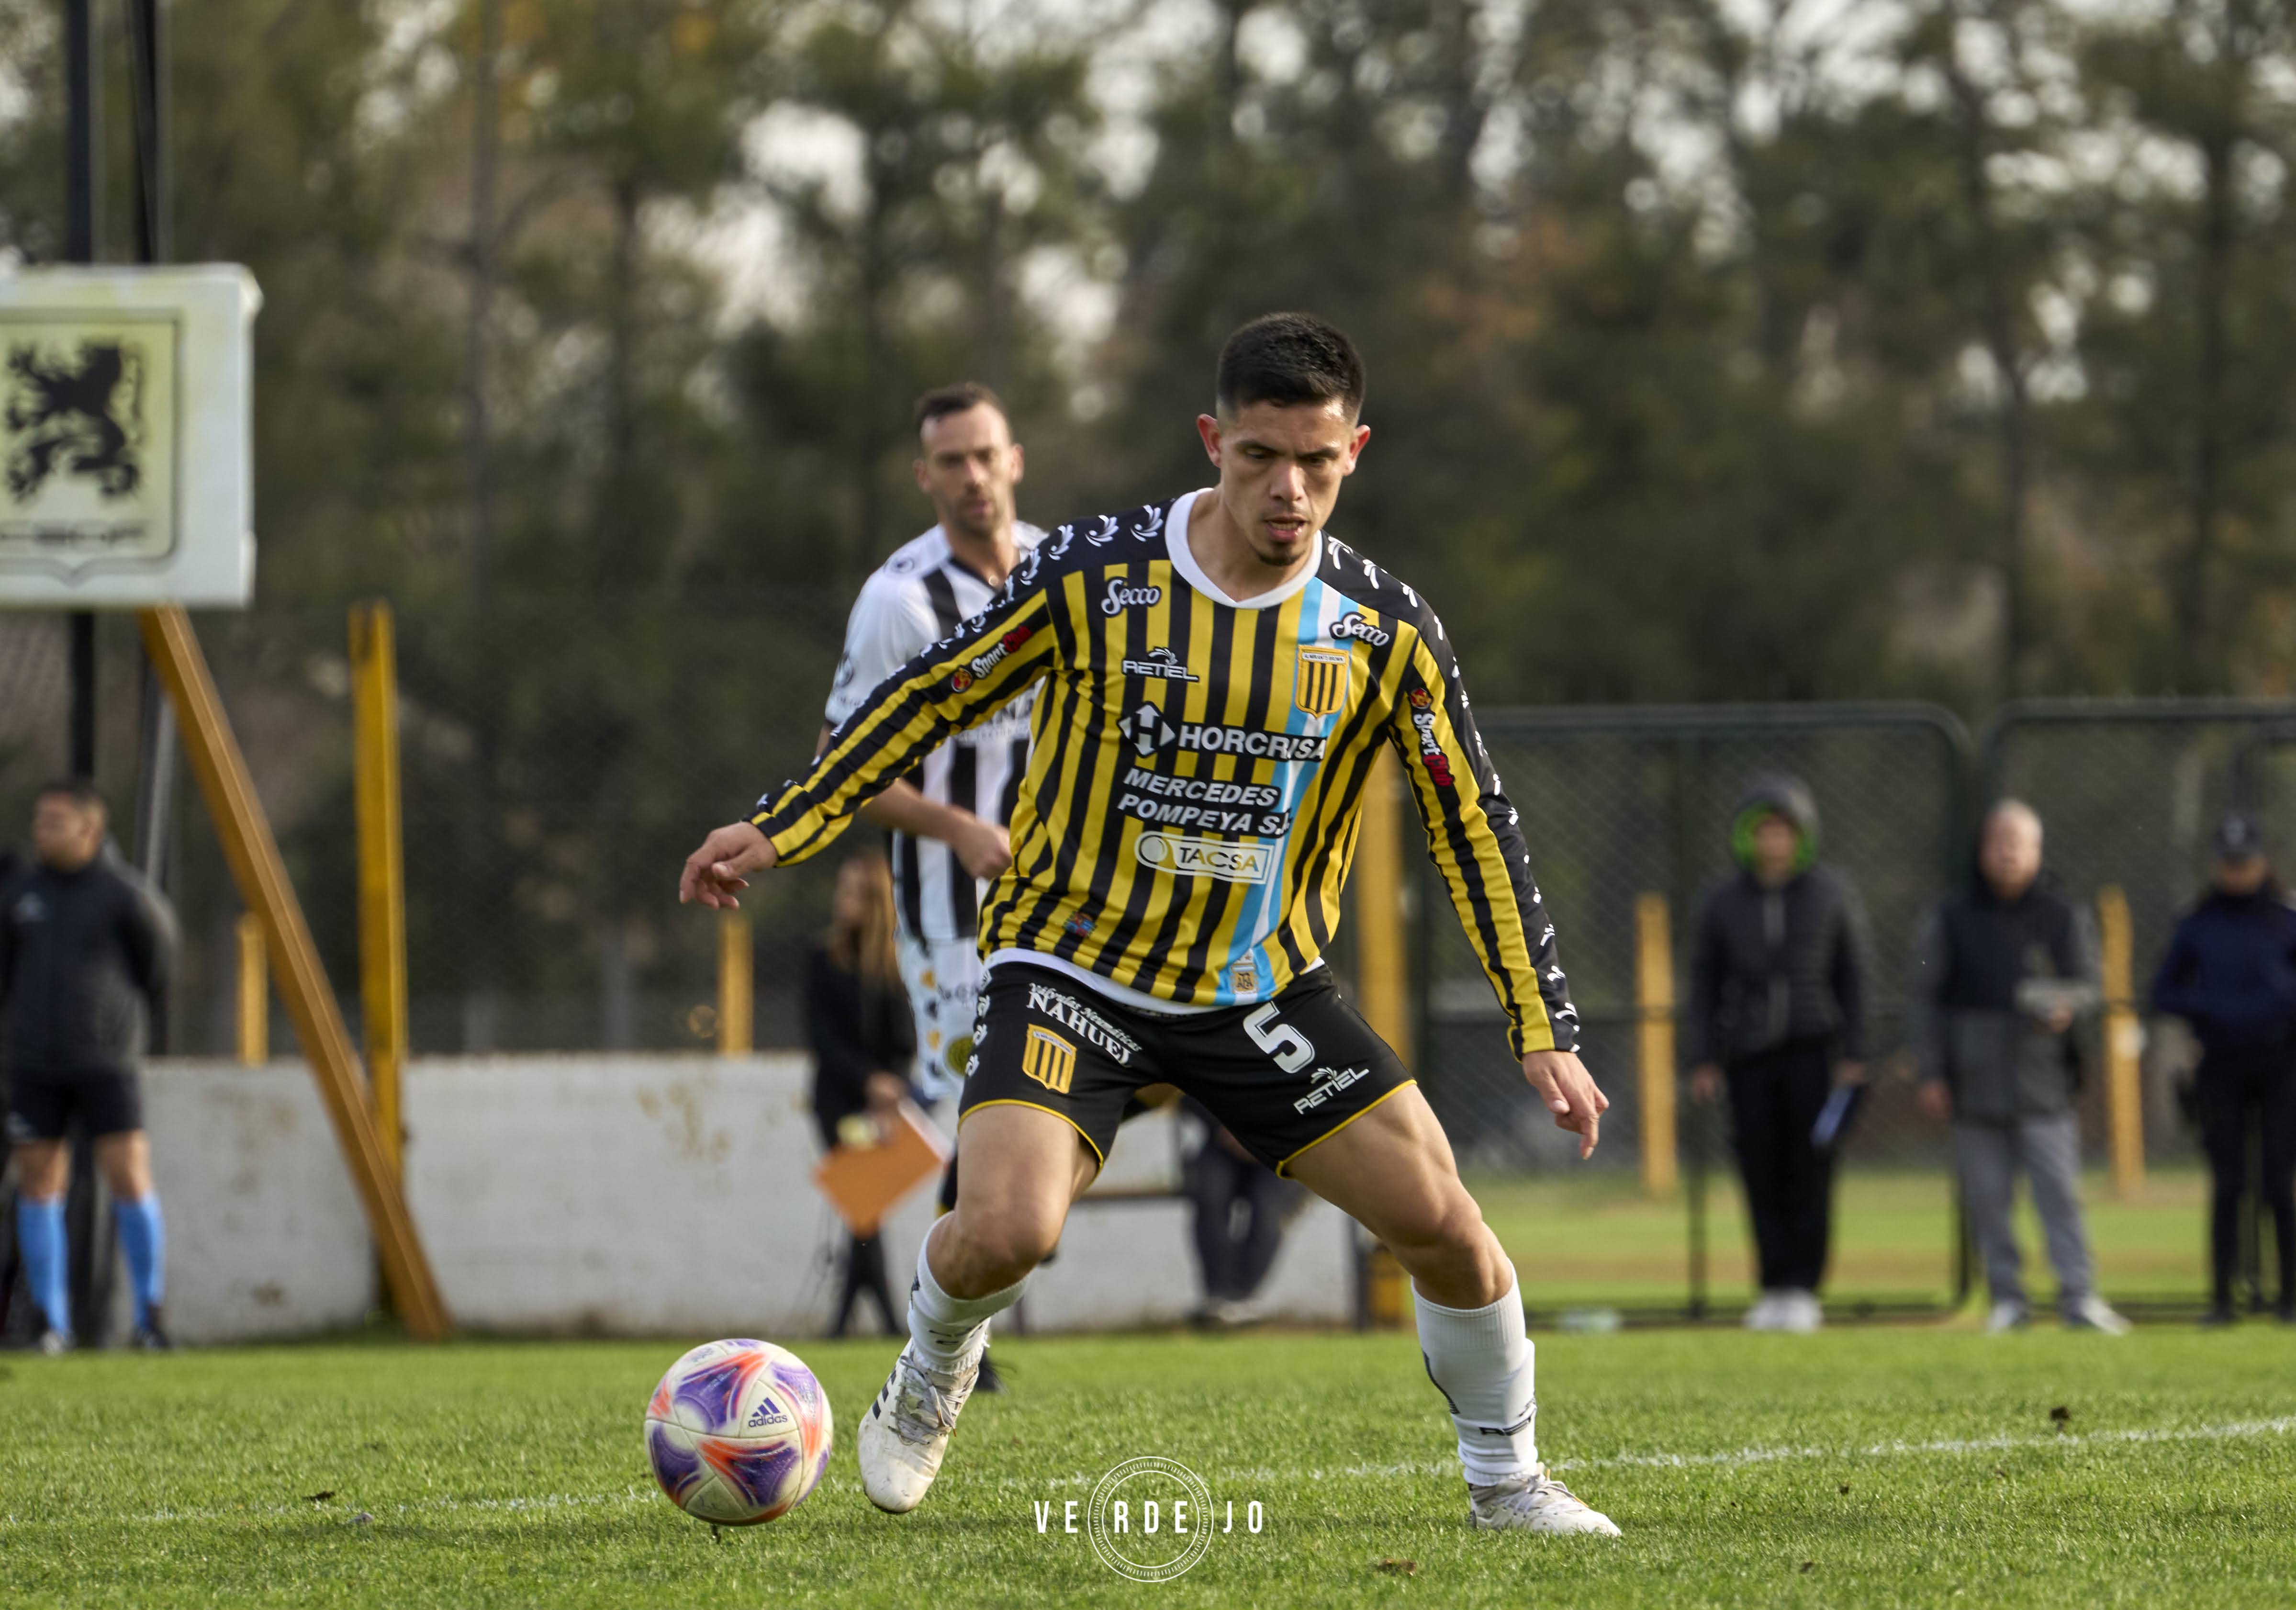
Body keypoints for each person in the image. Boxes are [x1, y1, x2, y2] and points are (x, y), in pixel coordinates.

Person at [684, 313, 1620, 1536]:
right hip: (1072, 962)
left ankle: (1507, 1484)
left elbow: (1473, 822)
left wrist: (1541, 1023)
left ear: (1356, 451)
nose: (1288, 490)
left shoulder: (1382, 628)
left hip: (1256, 989)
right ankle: (928, 1370)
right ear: (1210, 442)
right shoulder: (1093, 575)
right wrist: (786, 822)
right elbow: (924, 696)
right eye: (1258, 457)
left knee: (1448, 1228)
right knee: (1007, 1230)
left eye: (1318, 463)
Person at [818, 382, 1045, 1386]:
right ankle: (940, 1319)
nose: (970, 476)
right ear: (926, 478)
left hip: (1055, 893)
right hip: (947, 908)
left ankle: (856, 1210)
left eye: (983, 455)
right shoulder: (899, 600)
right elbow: (840, 757)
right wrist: (954, 825)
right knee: (973, 1090)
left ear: (1014, 460)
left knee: (989, 1093)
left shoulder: (1058, 568)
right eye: (949, 461)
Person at [1908, 800, 2129, 1335]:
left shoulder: (2060, 915)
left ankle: (2079, 1297)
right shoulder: (1952, 916)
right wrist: (1933, 1070)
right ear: (1983, 850)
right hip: (1973, 1083)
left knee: (2060, 1195)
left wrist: (2065, 1007)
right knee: (1988, 1199)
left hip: (2044, 1083)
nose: (2008, 853)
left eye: (2019, 843)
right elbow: (1925, 998)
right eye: (1999, 842)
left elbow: (2089, 987)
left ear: (2037, 850)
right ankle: (2007, 1300)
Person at [1686, 774, 1871, 1334]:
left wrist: (1857, 1051)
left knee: (1811, 1171)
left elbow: (1855, 975)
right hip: (1748, 1060)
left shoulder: (1832, 894)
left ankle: (1804, 1290)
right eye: (1763, 831)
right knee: (1759, 1172)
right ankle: (1770, 1288)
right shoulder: (1721, 902)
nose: (1773, 842)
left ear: (1801, 835)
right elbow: (1704, 985)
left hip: (1813, 1055)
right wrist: (1702, 1058)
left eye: (1783, 831)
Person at [0, 780, 176, 1353]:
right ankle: (53, 1324)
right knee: (38, 1182)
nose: (41, 830)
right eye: (38, 819)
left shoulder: (125, 895)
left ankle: (149, 1320)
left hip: (106, 1062)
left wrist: (113, 1030)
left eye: (55, 820)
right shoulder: (20, 893)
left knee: (127, 1174)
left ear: (89, 829)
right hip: (35, 1065)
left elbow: (156, 965)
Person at [2150, 811, 2296, 1327]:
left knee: (2281, 1180)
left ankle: (2289, 1300)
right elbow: (2163, 990)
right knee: (2228, 1181)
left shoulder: (2285, 919)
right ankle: (2220, 1300)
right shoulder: (2198, 924)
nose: (2237, 872)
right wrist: (2207, 1009)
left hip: (2281, 1064)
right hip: (2220, 1064)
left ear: (2262, 862)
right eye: (2229, 863)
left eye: (2246, 862)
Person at [805, 851, 920, 1338]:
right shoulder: (820, 959)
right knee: (863, 1211)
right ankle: (889, 1321)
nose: (842, 900)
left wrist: (891, 1082)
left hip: (886, 1108)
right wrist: (867, 1079)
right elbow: (821, 1039)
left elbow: (907, 1040)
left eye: (854, 891)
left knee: (864, 1214)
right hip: (836, 1101)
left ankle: (846, 1321)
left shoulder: (898, 965)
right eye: (842, 889)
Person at [1182, 1097, 1304, 1327]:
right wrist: (1226, 1128)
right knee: (1210, 1197)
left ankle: (1242, 1297)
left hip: (1282, 1143)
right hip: (1222, 1139)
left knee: (1269, 1211)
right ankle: (1219, 1295)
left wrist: (1263, 1135)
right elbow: (1183, 1092)